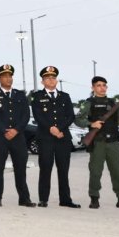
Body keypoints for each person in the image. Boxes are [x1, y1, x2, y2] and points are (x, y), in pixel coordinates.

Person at [0, 64, 35, 207]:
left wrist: (16, 130)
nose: (8, 78)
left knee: (20, 168)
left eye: (10, 76)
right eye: (5, 76)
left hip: (17, 137)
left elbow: (25, 115)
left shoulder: (20, 95)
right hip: (0, 137)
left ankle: (24, 198)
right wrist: (4, 130)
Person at [30, 65, 79, 208]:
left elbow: (70, 116)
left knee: (63, 170)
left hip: (63, 137)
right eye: (47, 78)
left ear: (56, 80)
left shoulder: (65, 97)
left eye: (53, 78)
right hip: (45, 138)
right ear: (42, 82)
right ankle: (43, 199)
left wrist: (60, 128)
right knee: (45, 168)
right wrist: (51, 128)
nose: (51, 80)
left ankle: (65, 200)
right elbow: (38, 116)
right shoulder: (38, 97)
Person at [84, 76, 119, 209]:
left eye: (104, 85)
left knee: (117, 171)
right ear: (93, 88)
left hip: (113, 142)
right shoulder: (89, 103)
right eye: (99, 85)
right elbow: (78, 119)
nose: (102, 88)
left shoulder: (113, 103)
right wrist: (92, 123)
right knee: (95, 171)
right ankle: (94, 198)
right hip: (97, 142)